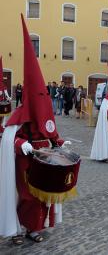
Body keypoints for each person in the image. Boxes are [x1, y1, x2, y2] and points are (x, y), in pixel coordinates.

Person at [0, 14, 66, 244]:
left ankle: (34, 228)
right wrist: (21, 144)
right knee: (26, 195)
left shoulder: (45, 107)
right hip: (26, 160)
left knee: (42, 195)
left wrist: (59, 142)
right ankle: (17, 229)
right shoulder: (20, 115)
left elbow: (51, 132)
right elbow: (8, 138)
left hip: (45, 159)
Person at [0, 56, 12, 137]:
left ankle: (2, 126)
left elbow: (5, 91)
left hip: (2, 102)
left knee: (4, 115)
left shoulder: (3, 84)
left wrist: (8, 97)